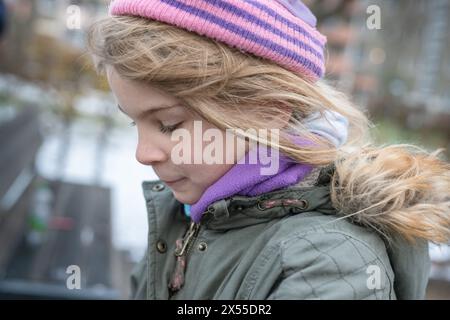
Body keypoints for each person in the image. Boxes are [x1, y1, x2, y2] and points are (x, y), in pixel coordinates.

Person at [87, 0, 450, 300]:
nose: (144, 153)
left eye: (168, 125)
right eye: (136, 123)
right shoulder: (187, 215)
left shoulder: (329, 264)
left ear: (268, 111)